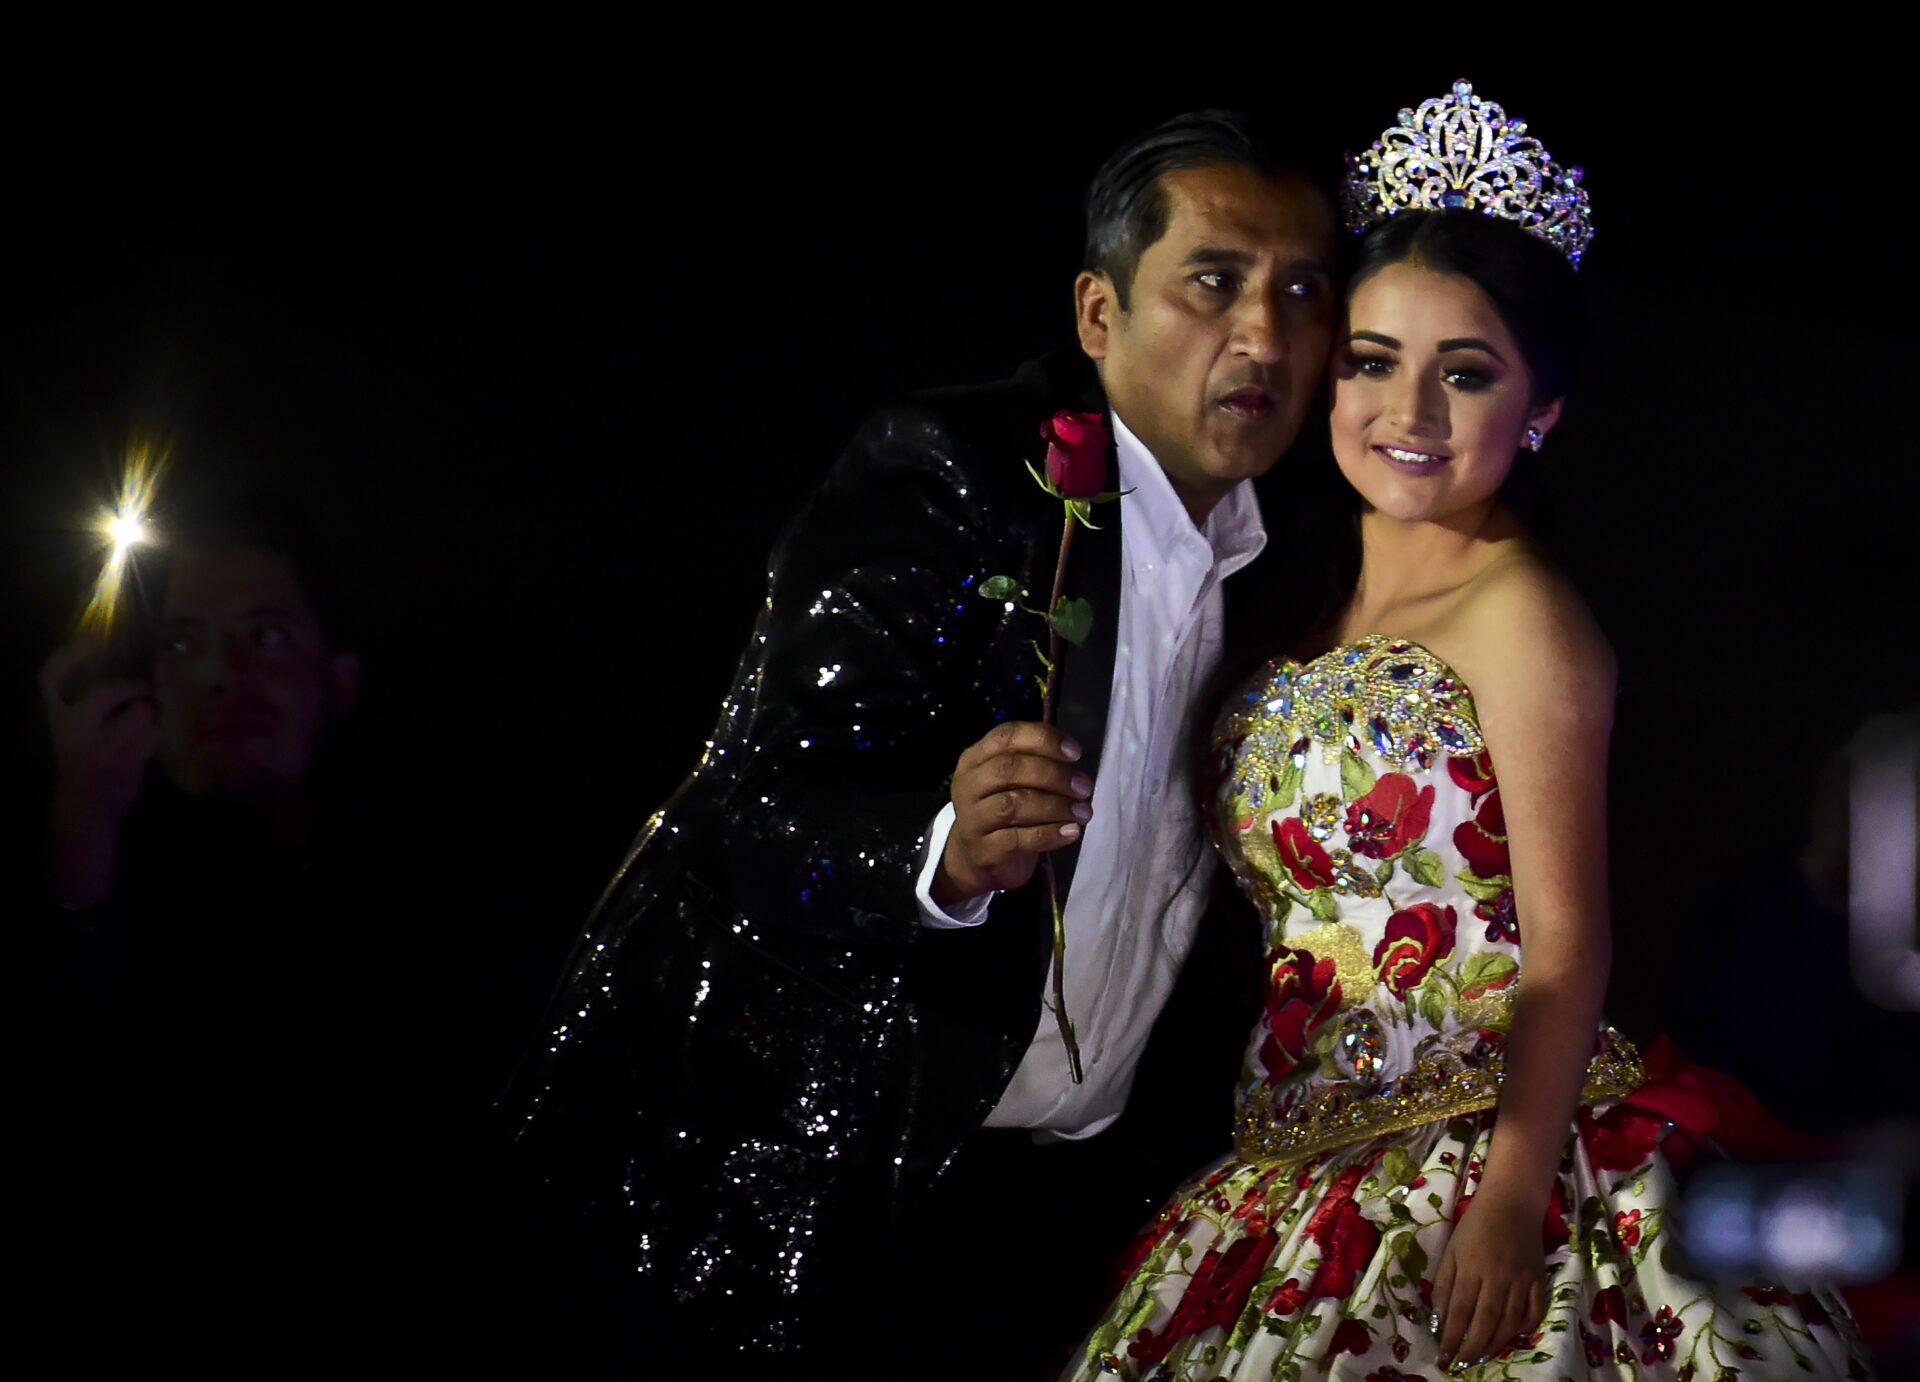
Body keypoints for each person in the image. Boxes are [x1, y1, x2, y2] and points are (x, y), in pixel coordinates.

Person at [500, 111, 1341, 1372]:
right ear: (1098, 314)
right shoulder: (957, 470)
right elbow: (752, 804)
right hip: (821, 1180)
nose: (1264, 334)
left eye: (1302, 291)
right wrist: (940, 847)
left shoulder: (1300, 568)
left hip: (1082, 1214)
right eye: (1214, 281)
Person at [1061, 83, 1874, 1380]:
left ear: (1541, 406)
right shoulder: (1286, 591)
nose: (1411, 414)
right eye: (1374, 361)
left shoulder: (1523, 615)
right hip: (1285, 1158)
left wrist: (1506, 1198)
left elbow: (1571, 941)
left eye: (1468, 372)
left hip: (1487, 1152)